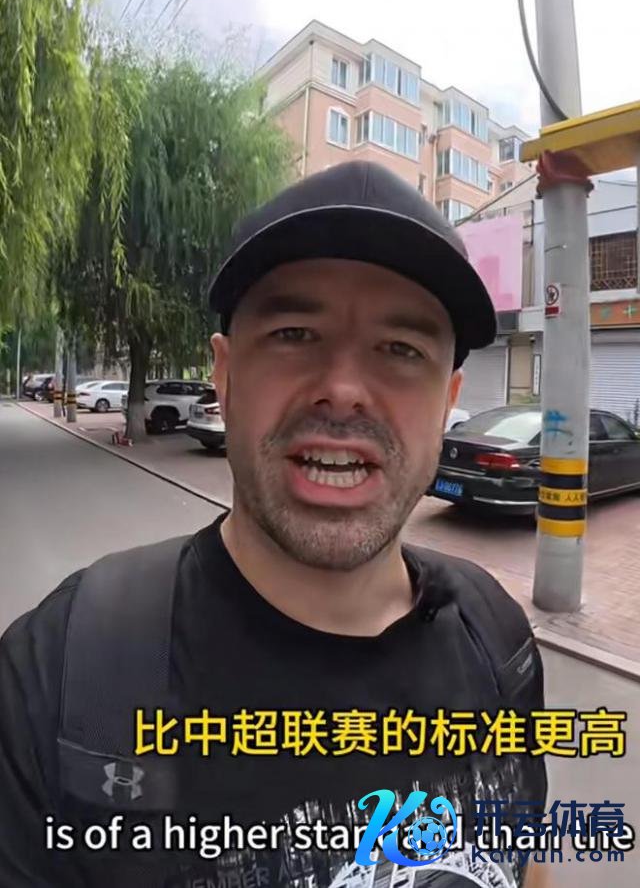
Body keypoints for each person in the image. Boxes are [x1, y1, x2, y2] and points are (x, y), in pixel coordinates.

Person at [0, 160, 548, 888]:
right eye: (294, 333)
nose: (343, 391)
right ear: (224, 375)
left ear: (447, 401)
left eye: (401, 349)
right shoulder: (56, 676)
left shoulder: (498, 640)